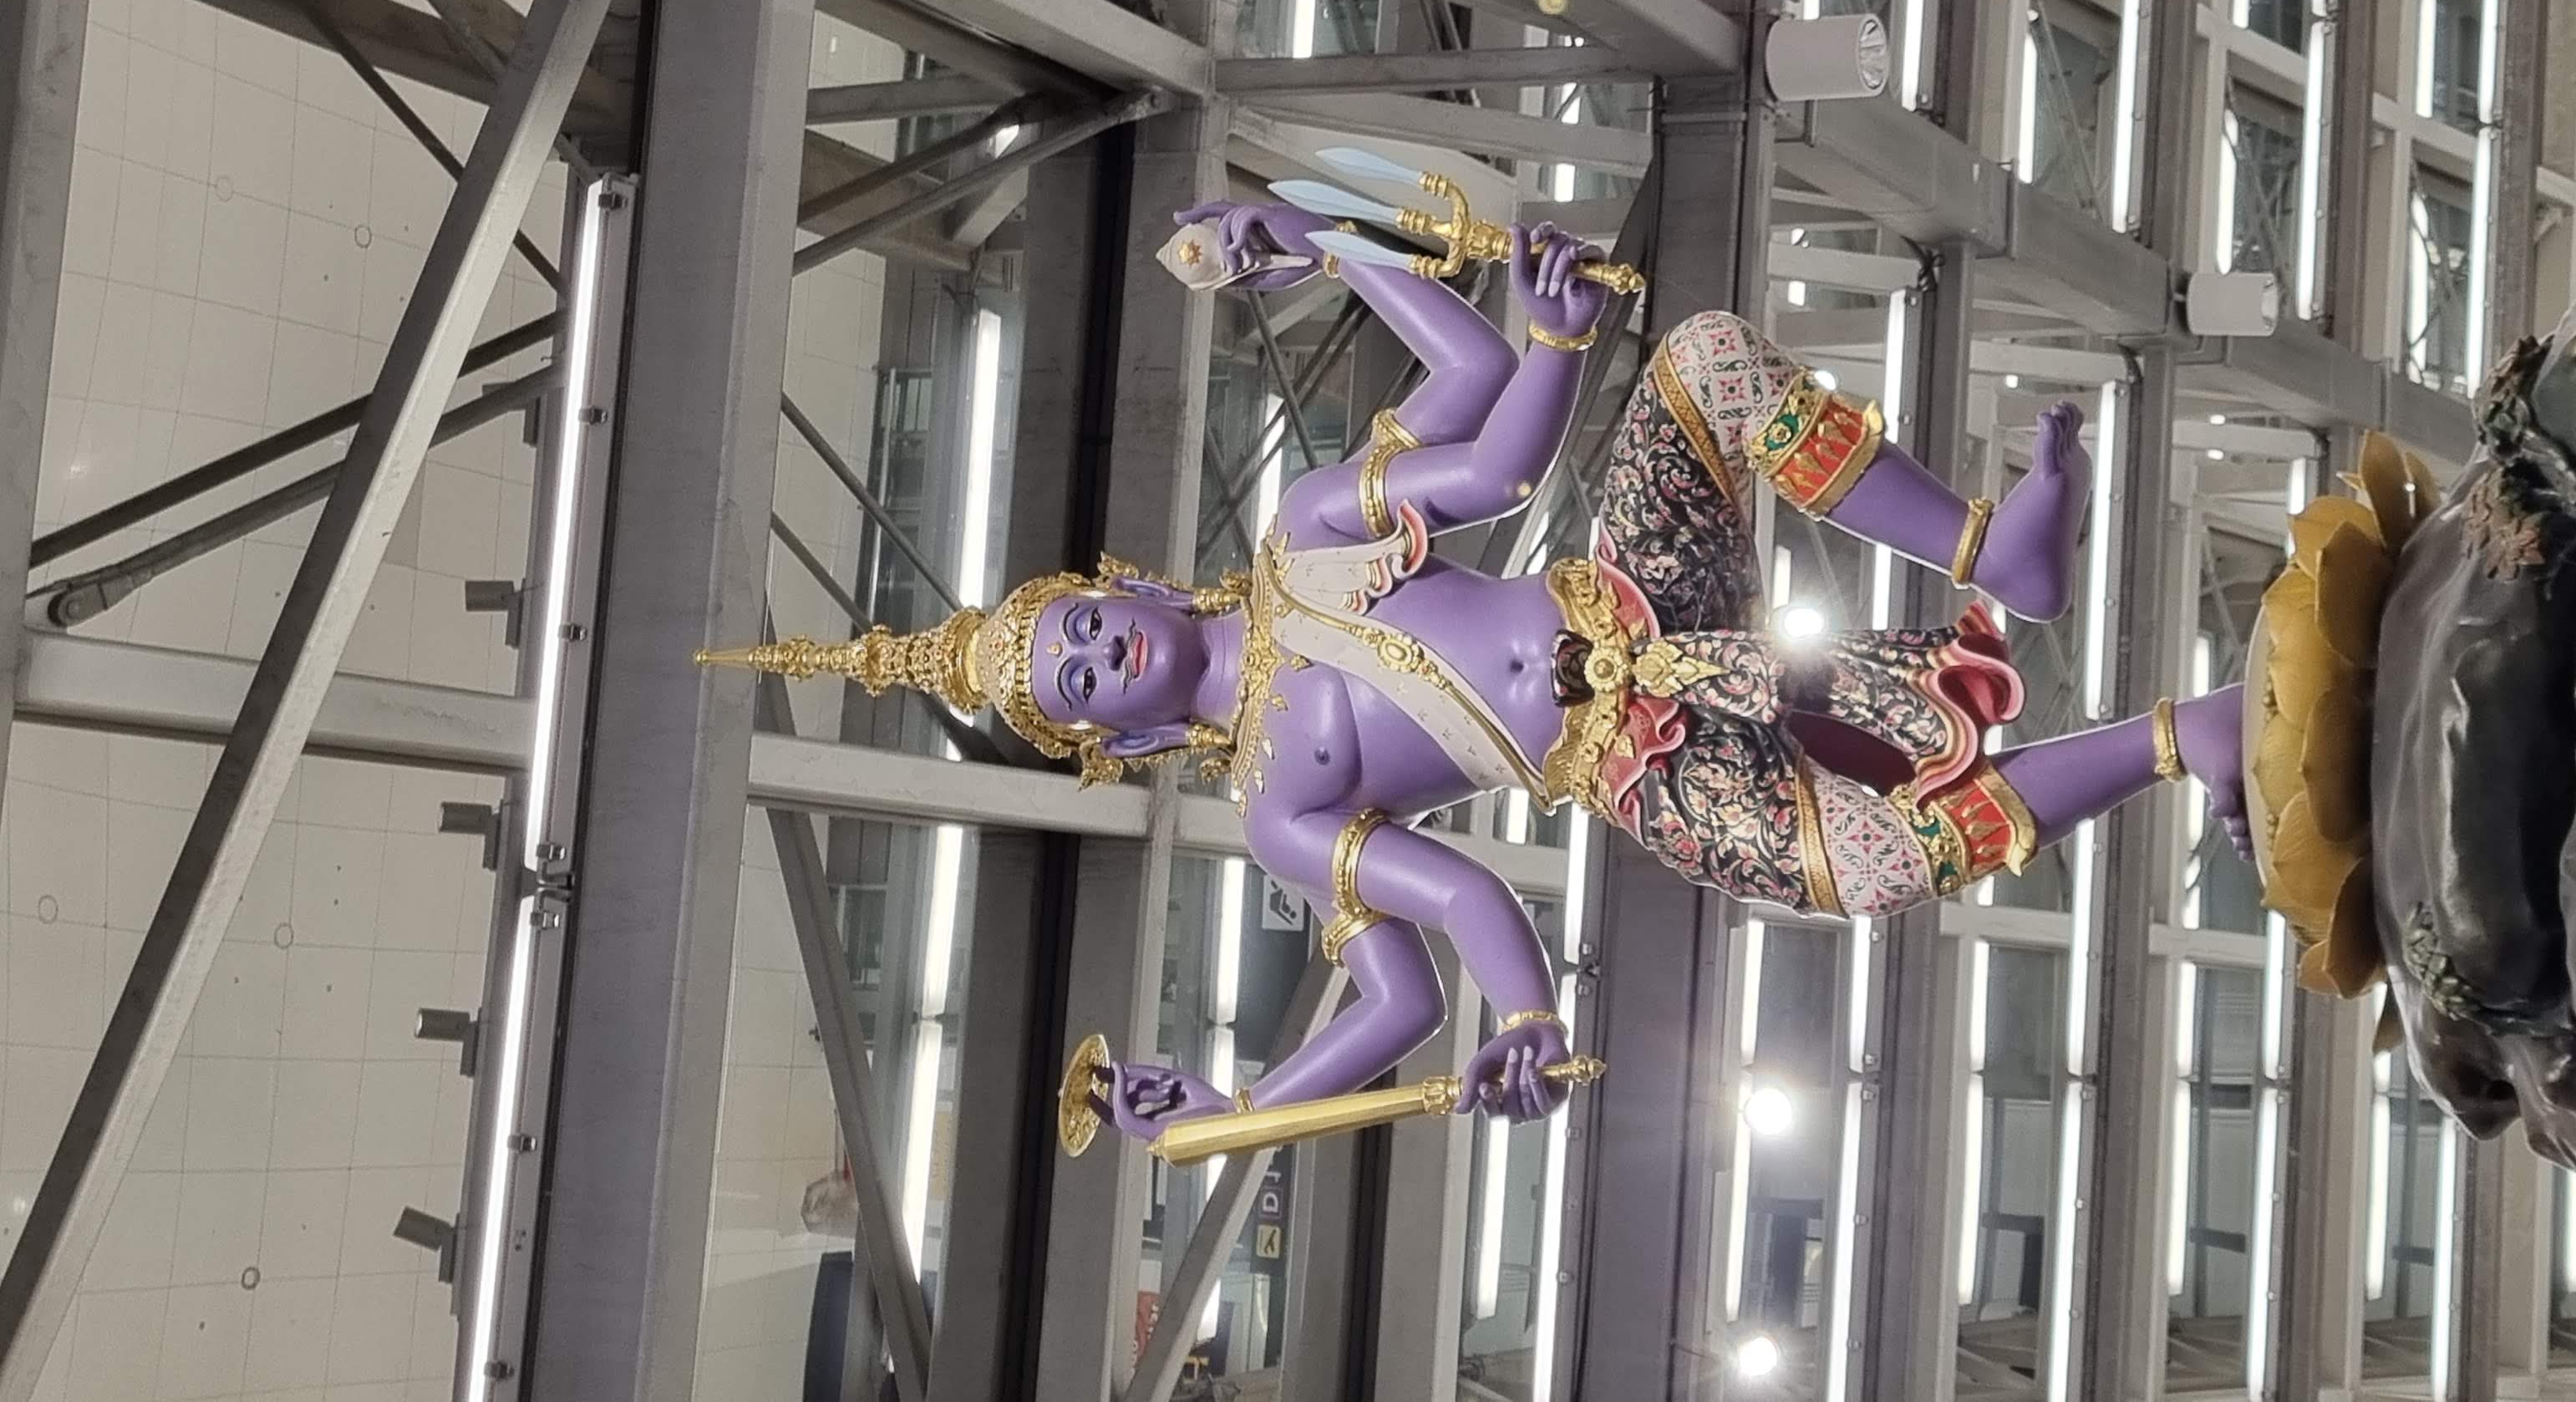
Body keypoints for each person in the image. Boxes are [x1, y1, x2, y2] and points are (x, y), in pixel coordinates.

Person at [706, 198, 2253, 1137]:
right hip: (1633, 766)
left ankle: (1994, 549)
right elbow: (1425, 965)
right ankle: (2179, 739)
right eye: (1078, 678)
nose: (1099, 648)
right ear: (1108, 741)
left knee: (1705, 361)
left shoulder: (1309, 535)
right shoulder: (1278, 813)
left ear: (1124, 582)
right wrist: (1302, 1091)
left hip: (1632, 592)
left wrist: (1341, 249)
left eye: (1076, 620)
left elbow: (1487, 424)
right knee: (1860, 862)